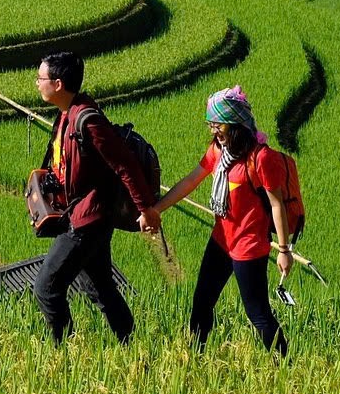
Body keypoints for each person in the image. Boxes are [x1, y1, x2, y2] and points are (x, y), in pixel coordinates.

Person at [143, 86, 291, 356]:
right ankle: (194, 357)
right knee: (201, 303)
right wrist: (157, 209)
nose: (213, 130)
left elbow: (277, 204)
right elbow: (190, 181)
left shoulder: (261, 158)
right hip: (221, 240)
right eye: (210, 124)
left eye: (217, 124)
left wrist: (283, 251)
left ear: (235, 123)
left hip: (249, 246)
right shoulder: (218, 152)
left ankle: (285, 363)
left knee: (257, 313)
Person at [32, 51, 160, 345]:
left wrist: (146, 209)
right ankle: (131, 343)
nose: (37, 83)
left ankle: (60, 351)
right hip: (84, 214)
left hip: (87, 219)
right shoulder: (66, 115)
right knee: (99, 286)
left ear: (59, 84)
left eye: (41, 78)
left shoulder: (88, 121)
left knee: (46, 287)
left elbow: (125, 163)